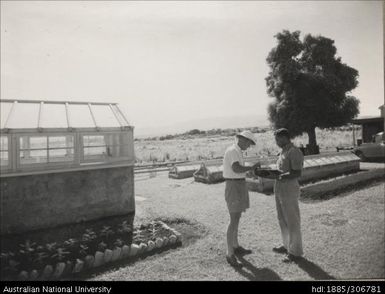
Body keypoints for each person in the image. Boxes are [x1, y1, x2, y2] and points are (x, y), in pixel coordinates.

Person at [223, 130, 261, 267]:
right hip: (233, 185)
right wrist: (251, 167)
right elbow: (236, 168)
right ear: (243, 140)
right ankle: (229, 253)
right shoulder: (233, 150)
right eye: (249, 143)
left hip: (238, 184)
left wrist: (250, 171)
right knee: (233, 219)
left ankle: (235, 245)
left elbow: (239, 170)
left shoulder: (237, 151)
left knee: (237, 217)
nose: (249, 146)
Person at [271, 128, 304, 263]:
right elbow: (281, 170)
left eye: (278, 139)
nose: (277, 142)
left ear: (284, 138)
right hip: (279, 189)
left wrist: (279, 175)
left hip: (289, 190)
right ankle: (286, 246)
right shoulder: (282, 152)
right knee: (282, 219)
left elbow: (297, 173)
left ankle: (295, 252)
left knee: (292, 221)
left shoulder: (294, 151)